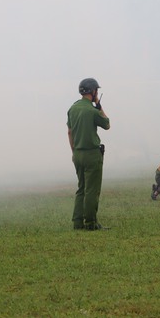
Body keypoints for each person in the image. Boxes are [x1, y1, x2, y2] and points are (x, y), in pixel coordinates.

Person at [67, 77, 110, 231]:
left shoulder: (72, 109)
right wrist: (99, 105)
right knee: (91, 190)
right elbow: (107, 124)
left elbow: (70, 132)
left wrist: (74, 151)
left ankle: (77, 222)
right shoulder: (92, 110)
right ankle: (90, 223)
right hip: (92, 154)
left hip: (77, 153)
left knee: (81, 188)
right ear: (94, 91)